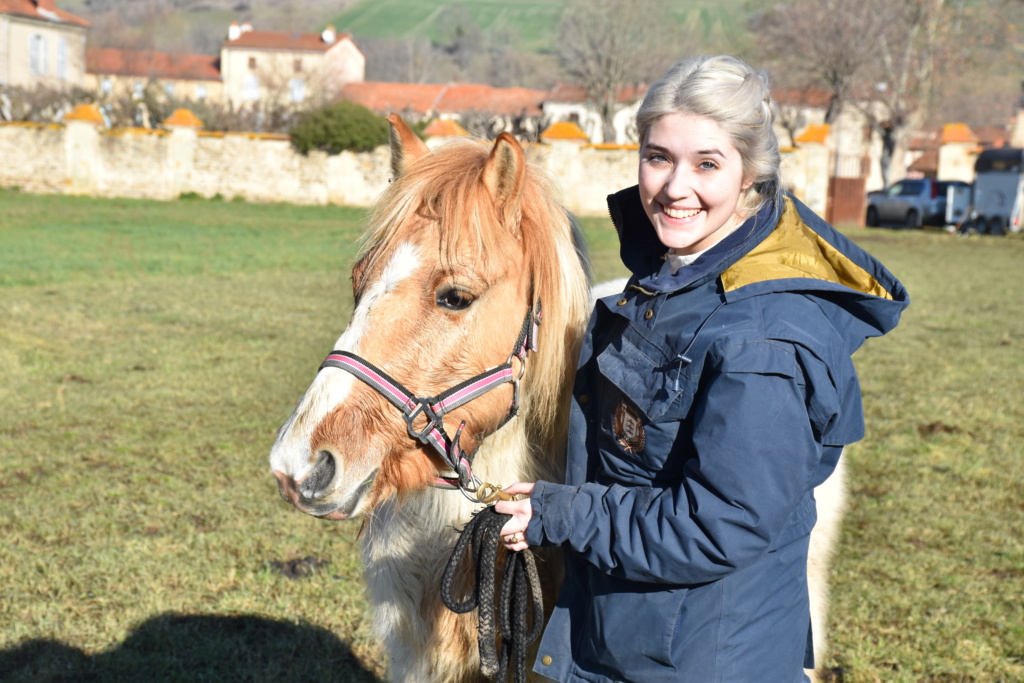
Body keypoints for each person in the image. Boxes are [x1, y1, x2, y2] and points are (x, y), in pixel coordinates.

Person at [495, 54, 909, 682]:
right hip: (639, 643)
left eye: (707, 164)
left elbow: (717, 524)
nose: (674, 186)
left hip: (700, 662)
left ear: (751, 177)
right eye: (658, 157)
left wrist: (564, 514)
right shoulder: (676, 282)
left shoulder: (764, 341)